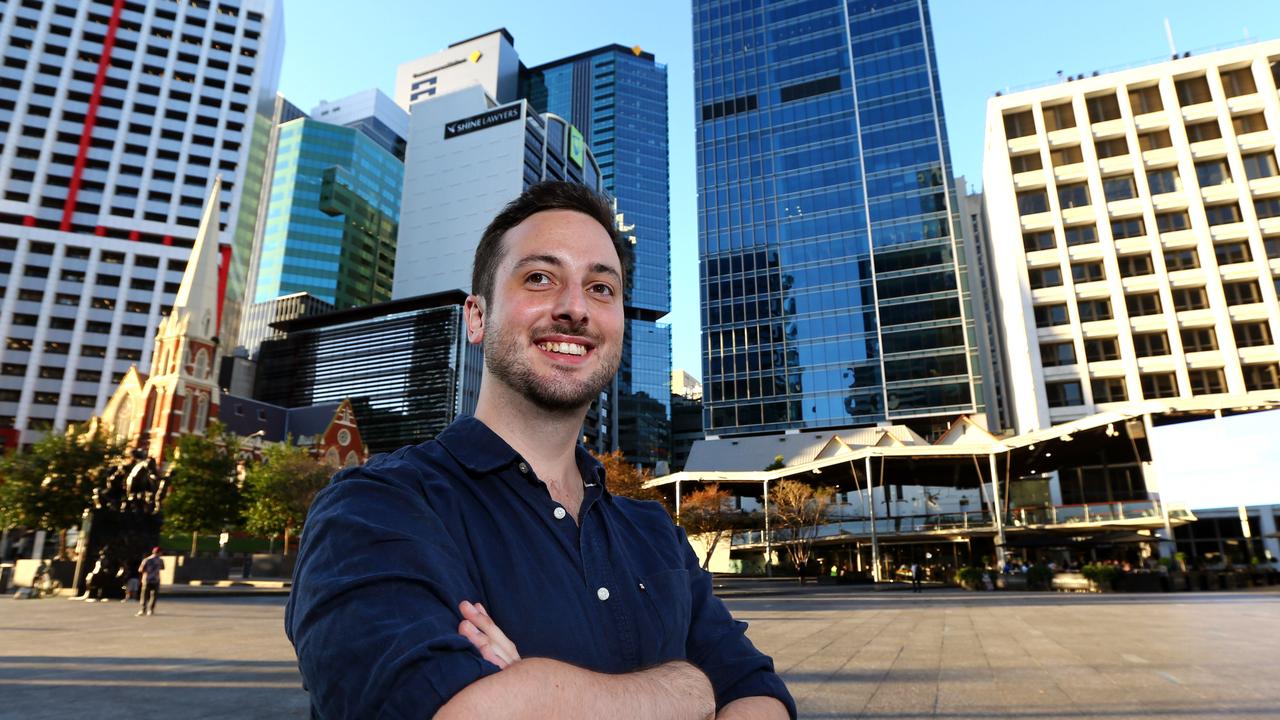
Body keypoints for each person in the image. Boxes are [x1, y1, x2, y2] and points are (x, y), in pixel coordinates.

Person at [286, 182, 795, 719]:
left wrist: (535, 689)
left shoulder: (653, 531)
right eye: (539, 278)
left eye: (602, 288)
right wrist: (690, 688)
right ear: (476, 318)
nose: (575, 308)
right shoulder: (375, 507)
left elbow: (760, 697)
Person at [137, 547, 163, 616]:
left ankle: (143, 610)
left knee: (144, 595)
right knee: (154, 596)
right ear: (160, 552)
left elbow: (140, 569)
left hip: (147, 580)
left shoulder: (146, 560)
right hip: (156, 580)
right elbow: (163, 568)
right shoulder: (160, 560)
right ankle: (151, 610)